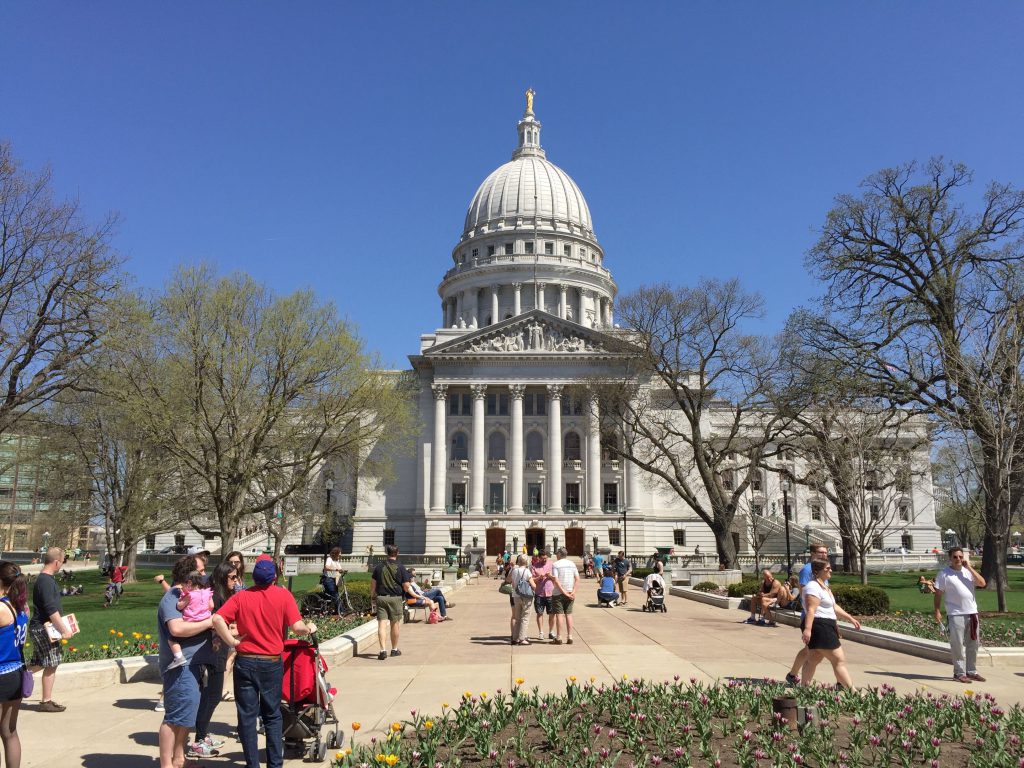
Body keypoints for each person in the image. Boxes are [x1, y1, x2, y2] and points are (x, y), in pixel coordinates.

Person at [212, 558, 316, 768]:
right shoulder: (283, 595)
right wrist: (309, 628)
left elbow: (217, 619)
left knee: (247, 717)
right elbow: (297, 627)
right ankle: (274, 764)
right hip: (270, 662)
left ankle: (252, 764)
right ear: (274, 578)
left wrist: (232, 641)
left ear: (253, 577)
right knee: (272, 715)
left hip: (245, 661)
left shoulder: (241, 597)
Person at [157, 556, 216, 768]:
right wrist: (210, 622)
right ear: (189, 575)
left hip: (194, 665)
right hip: (180, 666)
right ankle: (166, 764)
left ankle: (179, 758)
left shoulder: (192, 594)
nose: (204, 574)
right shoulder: (173, 597)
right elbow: (177, 629)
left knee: (186, 716)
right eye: (200, 571)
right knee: (174, 718)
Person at [190, 561, 238, 758]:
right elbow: (213, 622)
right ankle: (199, 741)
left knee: (213, 695)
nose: (236, 581)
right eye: (232, 577)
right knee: (211, 696)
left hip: (220, 648)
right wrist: (232, 632)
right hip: (213, 651)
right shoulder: (215, 596)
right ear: (223, 577)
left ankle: (203, 734)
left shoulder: (225, 595)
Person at [800, 559, 860, 688]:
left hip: (826, 625)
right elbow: (811, 609)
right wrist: (807, 629)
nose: (830, 570)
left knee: (813, 659)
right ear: (817, 571)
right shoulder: (812, 587)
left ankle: (804, 689)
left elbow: (833, 606)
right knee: (839, 660)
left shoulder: (824, 587)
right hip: (820, 626)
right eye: (827, 568)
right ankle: (853, 692)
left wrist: (850, 618)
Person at [28, 547, 73, 713]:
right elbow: (51, 609)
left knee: (43, 662)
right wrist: (64, 630)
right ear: (56, 562)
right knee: (50, 662)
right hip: (44, 629)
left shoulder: (44, 579)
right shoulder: (46, 581)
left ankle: (46, 700)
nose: (61, 565)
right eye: (62, 561)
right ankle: (14, 678)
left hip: (43, 628)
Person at [933, 546, 987, 683]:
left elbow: (982, 583)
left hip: (972, 613)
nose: (958, 559)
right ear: (950, 558)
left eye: (960, 557)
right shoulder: (944, 574)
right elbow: (938, 594)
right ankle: (959, 673)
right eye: (955, 557)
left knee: (973, 644)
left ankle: (971, 671)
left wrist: (969, 568)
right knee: (957, 645)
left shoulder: (968, 572)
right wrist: (937, 610)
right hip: (955, 613)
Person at [784, 544, 829, 685]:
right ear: (812, 553)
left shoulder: (823, 569)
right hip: (812, 616)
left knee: (810, 649)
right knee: (817, 651)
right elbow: (804, 594)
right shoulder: (807, 570)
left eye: (826, 552)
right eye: (821, 552)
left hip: (823, 616)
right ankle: (803, 681)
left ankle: (792, 675)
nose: (824, 555)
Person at [0, 562, 29, 768]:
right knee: (10, 731)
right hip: (16, 672)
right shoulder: (21, 606)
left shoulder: (2, 608)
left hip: (1, 673)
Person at [369, 545, 414, 661]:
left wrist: (372, 596)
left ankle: (382, 650)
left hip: (382, 598)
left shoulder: (379, 567)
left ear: (386, 553)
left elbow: (373, 584)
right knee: (395, 624)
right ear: (397, 553)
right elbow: (406, 585)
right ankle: (394, 649)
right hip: (395, 598)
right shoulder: (401, 567)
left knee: (382, 625)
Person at [167, 570, 214, 671]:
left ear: (189, 583)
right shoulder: (207, 592)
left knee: (171, 639)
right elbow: (211, 606)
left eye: (182, 585)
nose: (181, 587)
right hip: (205, 619)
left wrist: (180, 599)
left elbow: (179, 607)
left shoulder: (190, 595)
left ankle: (178, 657)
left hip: (191, 621)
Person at [550, 547, 579, 644]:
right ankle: (570, 636)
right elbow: (577, 579)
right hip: (570, 592)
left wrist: (563, 592)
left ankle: (559, 637)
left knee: (559, 614)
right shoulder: (572, 564)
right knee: (569, 614)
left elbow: (556, 580)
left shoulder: (556, 564)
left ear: (559, 554)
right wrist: (574, 591)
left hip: (559, 593)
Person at [509, 555, 536, 645]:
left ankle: (515, 638)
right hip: (526, 596)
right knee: (525, 617)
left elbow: (512, 584)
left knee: (517, 618)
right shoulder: (527, 571)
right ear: (526, 562)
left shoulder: (514, 571)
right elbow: (533, 585)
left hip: (516, 595)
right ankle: (522, 638)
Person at [530, 550, 556, 642]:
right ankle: (541, 632)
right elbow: (532, 580)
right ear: (539, 558)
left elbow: (556, 578)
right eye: (543, 558)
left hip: (550, 592)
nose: (545, 560)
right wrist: (539, 577)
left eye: (546, 558)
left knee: (552, 613)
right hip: (539, 593)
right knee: (539, 613)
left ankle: (551, 631)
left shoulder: (552, 565)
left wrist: (550, 576)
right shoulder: (534, 566)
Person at [321, 547, 344, 615]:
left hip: (334, 579)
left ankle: (335, 611)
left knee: (334, 595)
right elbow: (326, 567)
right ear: (336, 553)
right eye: (339, 553)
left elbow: (339, 568)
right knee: (335, 594)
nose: (340, 555)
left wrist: (342, 570)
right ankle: (341, 611)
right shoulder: (329, 559)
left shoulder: (337, 561)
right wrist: (335, 569)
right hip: (328, 579)